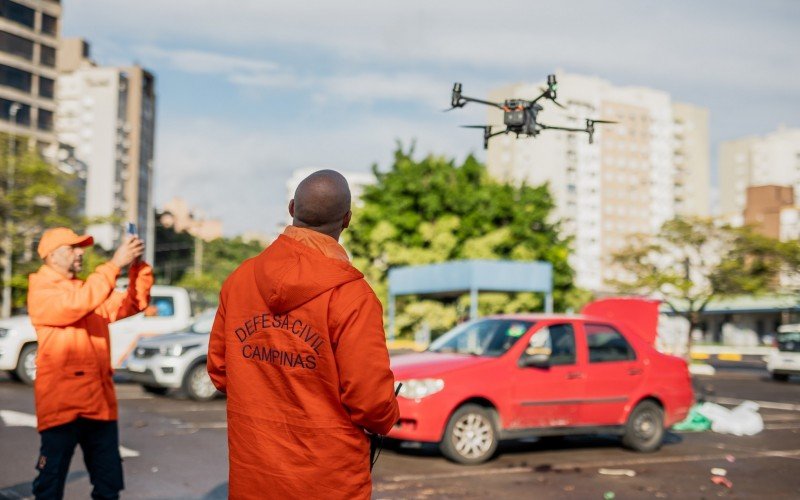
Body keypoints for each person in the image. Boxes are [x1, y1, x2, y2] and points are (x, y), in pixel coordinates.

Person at [208, 170, 399, 499]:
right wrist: (387, 415)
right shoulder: (353, 297)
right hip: (328, 481)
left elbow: (220, 371)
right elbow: (370, 401)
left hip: (254, 475)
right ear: (347, 220)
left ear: (292, 207)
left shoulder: (239, 281)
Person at [27, 227, 153, 500]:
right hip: (62, 405)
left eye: (80, 247)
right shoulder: (41, 288)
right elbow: (77, 304)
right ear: (51, 255)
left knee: (109, 485)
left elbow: (132, 304)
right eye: (72, 248)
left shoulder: (88, 290)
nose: (80, 252)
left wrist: (137, 269)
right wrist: (113, 265)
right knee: (49, 487)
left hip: (99, 405)